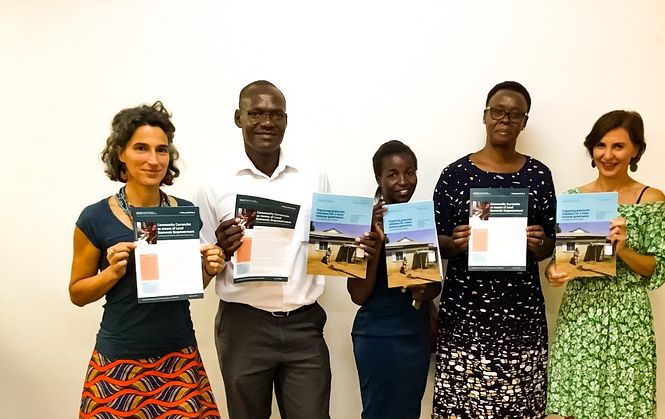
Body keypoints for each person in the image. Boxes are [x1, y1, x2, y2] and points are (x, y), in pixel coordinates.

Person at [69, 101, 225, 418]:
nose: (154, 160)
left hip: (179, 360)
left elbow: (187, 285)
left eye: (162, 150)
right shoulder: (95, 218)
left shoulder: (184, 214)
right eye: (141, 148)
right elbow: (77, 293)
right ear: (120, 155)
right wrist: (111, 273)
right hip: (118, 361)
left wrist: (208, 271)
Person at [193, 80, 332, 419]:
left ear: (286, 120)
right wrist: (220, 251)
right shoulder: (215, 184)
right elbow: (199, 272)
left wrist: (357, 246)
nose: (267, 123)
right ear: (238, 118)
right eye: (256, 113)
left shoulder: (313, 178)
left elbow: (327, 248)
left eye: (276, 115)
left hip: (304, 325)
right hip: (244, 327)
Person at [431, 81, 556, 418]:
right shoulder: (455, 175)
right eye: (498, 111)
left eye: (515, 114)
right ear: (485, 117)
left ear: (524, 122)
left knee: (520, 407)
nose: (505, 119)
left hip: (522, 318)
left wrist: (538, 242)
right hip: (464, 317)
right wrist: (453, 243)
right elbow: (431, 243)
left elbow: (550, 245)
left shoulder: (539, 176)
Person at [545, 110, 665, 419]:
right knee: (567, 407)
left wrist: (624, 250)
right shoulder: (573, 199)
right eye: (600, 145)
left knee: (625, 407)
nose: (608, 154)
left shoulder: (650, 199)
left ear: (636, 150)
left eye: (618, 146)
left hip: (628, 318)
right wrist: (553, 273)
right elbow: (556, 260)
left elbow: (658, 267)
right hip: (579, 316)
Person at [348, 140, 441, 419]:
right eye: (392, 174)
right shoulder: (361, 224)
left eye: (410, 172)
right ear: (378, 177)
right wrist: (376, 240)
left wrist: (422, 288)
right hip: (378, 335)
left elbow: (433, 286)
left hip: (415, 333)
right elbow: (358, 295)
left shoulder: (421, 221)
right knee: (378, 412)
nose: (403, 181)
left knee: (408, 412)